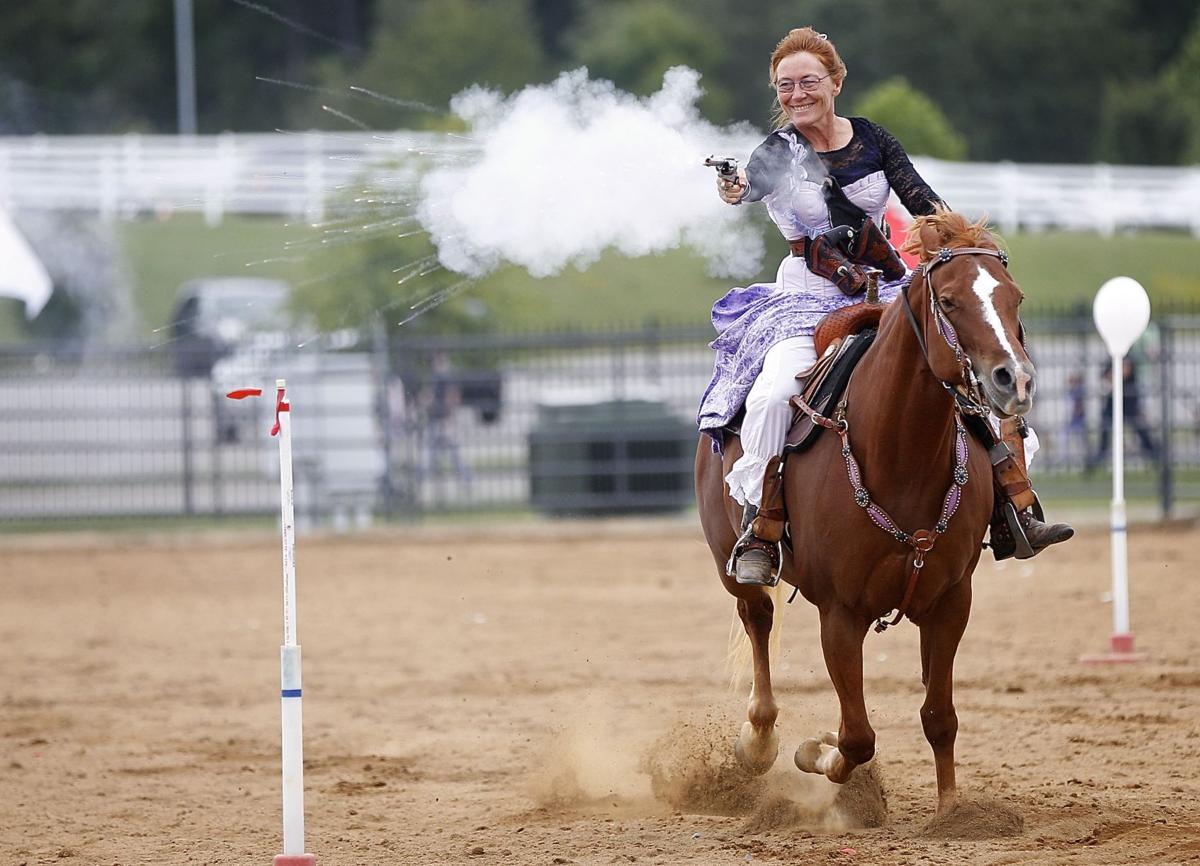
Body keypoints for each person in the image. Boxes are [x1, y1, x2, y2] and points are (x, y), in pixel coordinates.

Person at [697, 27, 1072, 585]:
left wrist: (964, 246)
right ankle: (763, 527)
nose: (797, 94)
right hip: (806, 295)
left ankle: (1012, 507)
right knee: (775, 393)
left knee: (964, 379)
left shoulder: (874, 139)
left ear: (835, 82)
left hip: (885, 288)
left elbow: (926, 205)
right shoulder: (777, 151)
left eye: (808, 82)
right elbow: (746, 187)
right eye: (785, 86)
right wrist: (730, 184)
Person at [1086, 357, 1159, 473]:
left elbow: (1127, 374)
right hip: (1112, 404)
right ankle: (1099, 458)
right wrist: (1112, 376)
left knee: (1141, 429)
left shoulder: (1129, 358)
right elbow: (1105, 377)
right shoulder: (1111, 359)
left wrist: (1117, 375)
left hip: (1129, 403)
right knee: (1105, 429)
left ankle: (1154, 455)